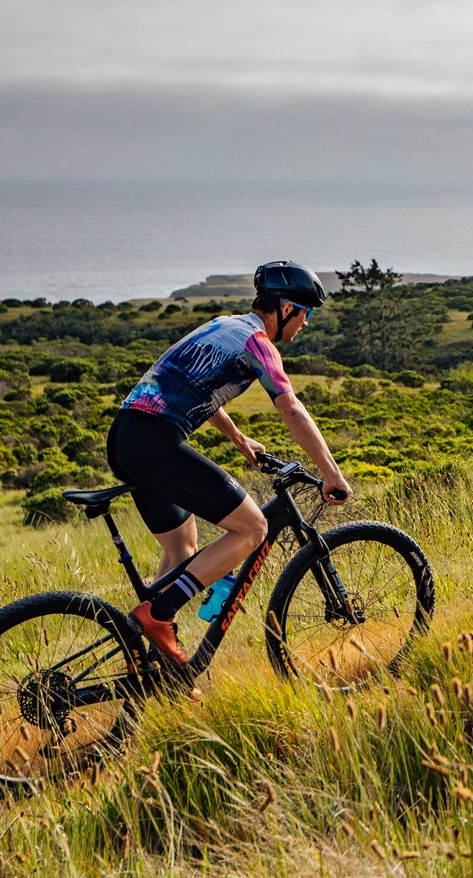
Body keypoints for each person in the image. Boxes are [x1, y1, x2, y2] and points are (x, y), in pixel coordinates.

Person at [107, 260, 351, 667]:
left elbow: (190, 382)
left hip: (126, 436)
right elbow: (290, 407)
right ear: (286, 308)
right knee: (253, 527)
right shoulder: (258, 343)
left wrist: (240, 440)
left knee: (182, 548)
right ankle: (157, 616)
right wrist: (331, 472)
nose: (305, 324)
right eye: (306, 314)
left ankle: (155, 668)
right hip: (153, 441)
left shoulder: (223, 325)